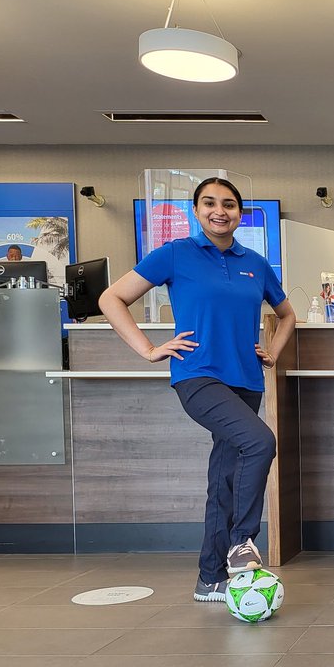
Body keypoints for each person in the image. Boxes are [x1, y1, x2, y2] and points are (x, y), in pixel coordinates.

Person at [99, 177, 296, 602]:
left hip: (245, 378)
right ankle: (243, 541)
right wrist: (149, 349)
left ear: (240, 213)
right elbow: (111, 298)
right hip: (198, 375)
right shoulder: (175, 254)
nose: (219, 211)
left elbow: (287, 314)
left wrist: (273, 351)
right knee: (260, 442)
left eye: (228, 204)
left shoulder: (255, 263)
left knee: (224, 478)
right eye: (209, 203)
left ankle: (210, 578)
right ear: (196, 210)